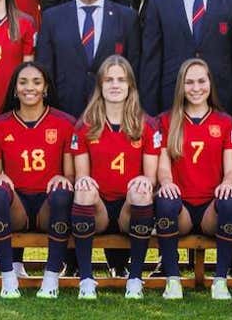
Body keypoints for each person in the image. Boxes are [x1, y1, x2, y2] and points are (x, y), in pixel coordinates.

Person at [66, 56, 161, 299]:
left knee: (142, 190)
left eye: (121, 79)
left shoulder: (146, 124)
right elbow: (82, 175)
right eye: (109, 80)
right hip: (98, 208)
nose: (115, 85)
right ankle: (86, 279)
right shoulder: (85, 126)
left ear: (131, 86)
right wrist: (84, 182)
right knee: (85, 189)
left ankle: (135, 279)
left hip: (129, 208)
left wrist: (144, 182)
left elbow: (151, 177)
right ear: (100, 86)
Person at [0, 61, 76, 299]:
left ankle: (51, 276)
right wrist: (0, 177)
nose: (30, 88)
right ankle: (8, 276)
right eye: (23, 82)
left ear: (46, 88)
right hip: (17, 205)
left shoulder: (65, 123)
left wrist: (61, 177)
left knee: (63, 192)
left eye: (36, 82)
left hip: (48, 203)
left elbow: (70, 175)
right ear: (14, 89)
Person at [154, 59, 232, 301]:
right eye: (189, 82)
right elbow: (163, 166)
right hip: (182, 206)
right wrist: (167, 182)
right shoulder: (167, 121)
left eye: (201, 81)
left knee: (231, 201)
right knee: (165, 200)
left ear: (210, 83)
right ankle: (172, 279)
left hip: (211, 205)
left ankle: (220, 280)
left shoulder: (224, 122)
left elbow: (231, 169)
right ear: (181, 86)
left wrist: (227, 183)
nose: (196, 87)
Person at [36, 0, 140, 118]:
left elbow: (134, 69)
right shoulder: (52, 18)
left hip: (113, 117)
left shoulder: (127, 18)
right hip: (64, 115)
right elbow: (45, 71)